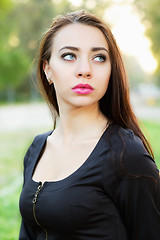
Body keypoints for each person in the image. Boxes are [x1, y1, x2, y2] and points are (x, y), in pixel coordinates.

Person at [19, 10, 160, 240]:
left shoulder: (126, 155)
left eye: (99, 57)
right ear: (47, 69)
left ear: (110, 70)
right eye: (69, 56)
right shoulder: (37, 148)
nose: (85, 70)